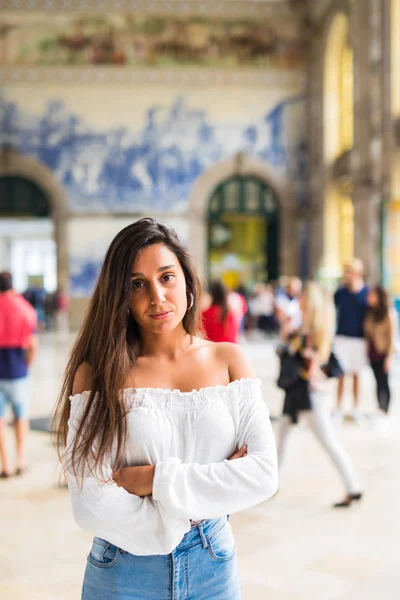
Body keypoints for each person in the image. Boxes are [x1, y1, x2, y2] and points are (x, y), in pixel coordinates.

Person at [52, 218, 278, 599]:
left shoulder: (229, 360)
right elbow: (89, 502)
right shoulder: (100, 373)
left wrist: (154, 481)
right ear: (119, 297)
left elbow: (263, 475)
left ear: (188, 282)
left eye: (167, 277)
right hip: (123, 568)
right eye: (137, 284)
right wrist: (198, 501)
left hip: (213, 565)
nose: (157, 296)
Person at [276, 282, 363, 508]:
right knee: (283, 434)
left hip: (309, 395)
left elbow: (316, 365)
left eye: (304, 295)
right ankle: (273, 481)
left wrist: (311, 368)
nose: (300, 298)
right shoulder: (306, 326)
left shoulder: (314, 330)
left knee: (328, 441)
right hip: (301, 393)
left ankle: (353, 485)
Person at [0, 272, 38, 478]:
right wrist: (27, 365)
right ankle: (20, 460)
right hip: (18, 371)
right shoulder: (25, 309)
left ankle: (5, 464)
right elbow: (33, 345)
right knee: (21, 417)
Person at [334, 259, 369, 423]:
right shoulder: (340, 293)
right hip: (342, 338)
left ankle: (356, 409)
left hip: (360, 339)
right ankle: (338, 409)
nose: (346, 275)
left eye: (349, 272)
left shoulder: (366, 293)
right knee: (340, 374)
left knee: (356, 375)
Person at [364, 285, 398, 416]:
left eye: (372, 295)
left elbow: (392, 336)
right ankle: (380, 407)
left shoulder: (389, 313)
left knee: (384, 380)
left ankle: (386, 407)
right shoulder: (370, 312)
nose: (370, 298)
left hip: (383, 351)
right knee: (377, 380)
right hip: (373, 351)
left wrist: (389, 357)